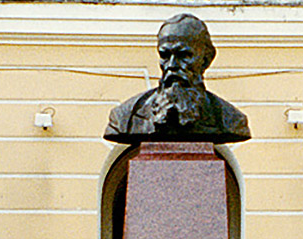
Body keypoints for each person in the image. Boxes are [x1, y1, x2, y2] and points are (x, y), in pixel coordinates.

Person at [105, 13, 250, 144]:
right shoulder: (124, 119)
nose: (172, 65)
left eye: (184, 55)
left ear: (206, 59)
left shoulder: (231, 120)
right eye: (165, 56)